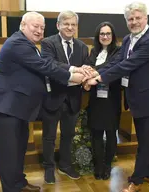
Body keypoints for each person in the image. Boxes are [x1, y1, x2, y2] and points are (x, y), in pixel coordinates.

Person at [0, 12, 86, 192]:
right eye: (35, 26)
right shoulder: (18, 44)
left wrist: (74, 71)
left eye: (42, 28)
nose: (39, 31)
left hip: (17, 108)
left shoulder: (28, 44)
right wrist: (73, 77)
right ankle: (11, 188)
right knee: (9, 154)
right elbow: (45, 67)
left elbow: (44, 68)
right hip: (5, 108)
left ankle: (19, 183)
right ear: (23, 25)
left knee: (18, 150)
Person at [84, 2, 149, 192]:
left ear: (146, 18)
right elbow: (117, 61)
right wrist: (94, 73)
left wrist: (97, 79)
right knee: (146, 138)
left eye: (138, 18)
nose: (134, 22)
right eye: (130, 19)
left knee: (145, 141)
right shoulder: (130, 39)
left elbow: (127, 65)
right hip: (139, 98)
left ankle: (137, 181)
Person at [40, 10, 89, 184]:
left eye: (73, 24)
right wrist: (73, 70)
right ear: (58, 25)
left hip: (74, 100)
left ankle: (65, 165)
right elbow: (49, 64)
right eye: (66, 24)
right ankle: (48, 167)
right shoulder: (48, 43)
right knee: (49, 136)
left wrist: (87, 73)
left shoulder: (83, 47)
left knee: (68, 135)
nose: (70, 27)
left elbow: (86, 67)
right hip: (53, 97)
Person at [84, 21, 121, 180]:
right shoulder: (94, 51)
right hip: (96, 100)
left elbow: (112, 67)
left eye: (108, 34)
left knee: (111, 134)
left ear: (112, 36)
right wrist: (86, 77)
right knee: (96, 133)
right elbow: (87, 66)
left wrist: (92, 75)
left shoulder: (119, 52)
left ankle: (107, 166)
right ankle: (98, 166)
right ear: (98, 36)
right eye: (102, 34)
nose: (105, 36)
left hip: (111, 99)